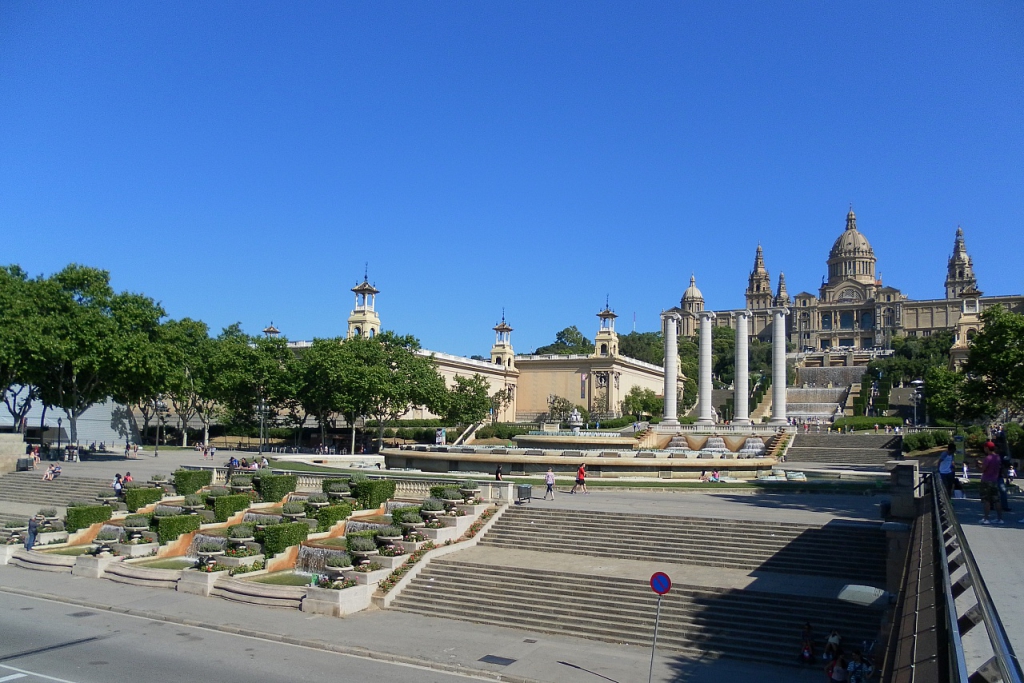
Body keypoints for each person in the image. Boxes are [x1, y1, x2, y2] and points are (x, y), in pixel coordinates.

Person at [979, 441, 1004, 524]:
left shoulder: (988, 458)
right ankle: (1000, 518)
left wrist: (977, 465)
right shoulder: (997, 457)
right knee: (996, 499)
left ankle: (986, 518)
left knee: (986, 500)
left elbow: (983, 469)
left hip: (986, 480)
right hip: (994, 480)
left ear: (987, 448)